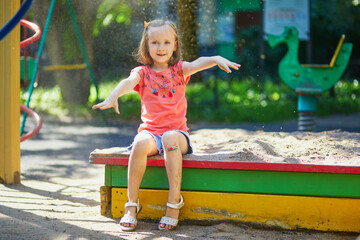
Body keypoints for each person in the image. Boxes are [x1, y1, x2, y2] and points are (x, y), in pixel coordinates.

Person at [92, 19, 240, 231]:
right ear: (147, 45)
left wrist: (215, 58)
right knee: (140, 142)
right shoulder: (142, 73)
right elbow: (128, 81)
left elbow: (198, 63)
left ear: (175, 45)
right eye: (155, 43)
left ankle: (173, 204)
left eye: (166, 43)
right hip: (152, 134)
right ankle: (132, 205)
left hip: (178, 135)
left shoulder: (180, 70)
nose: (161, 47)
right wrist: (114, 95)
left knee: (170, 137)